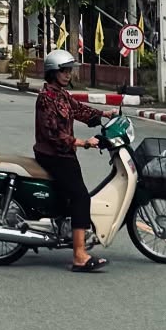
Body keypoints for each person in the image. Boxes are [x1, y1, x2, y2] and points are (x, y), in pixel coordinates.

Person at [35, 49, 109, 272]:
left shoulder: (62, 95)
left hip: (64, 154)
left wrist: (104, 115)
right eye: (64, 71)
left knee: (70, 196)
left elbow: (79, 110)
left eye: (69, 71)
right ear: (53, 72)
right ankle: (79, 255)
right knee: (80, 197)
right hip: (54, 155)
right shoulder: (46, 98)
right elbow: (53, 134)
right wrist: (82, 142)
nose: (68, 75)